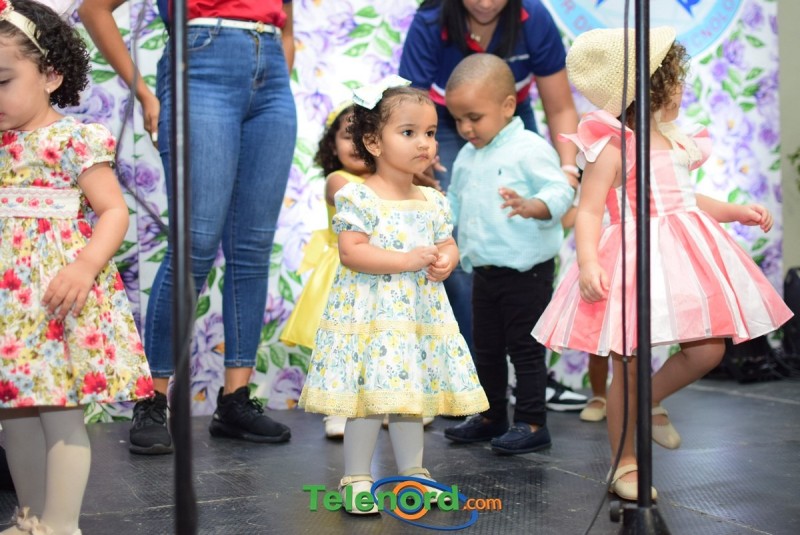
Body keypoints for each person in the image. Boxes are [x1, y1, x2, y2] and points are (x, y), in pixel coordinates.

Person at [532, 27, 794, 500]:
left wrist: (736, 212)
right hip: (634, 257)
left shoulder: (675, 141)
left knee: (708, 349)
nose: (682, 89)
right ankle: (625, 463)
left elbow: (686, 199)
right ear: (652, 86)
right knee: (627, 362)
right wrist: (588, 262)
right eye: (676, 80)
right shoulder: (614, 146)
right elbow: (588, 210)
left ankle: (649, 400)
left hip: (683, 254)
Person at [78, 0, 297, 453]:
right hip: (201, 64)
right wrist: (145, 93)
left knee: (252, 249)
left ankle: (235, 400)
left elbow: (286, 22)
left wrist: (275, 67)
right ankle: (152, 400)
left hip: (272, 75)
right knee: (193, 246)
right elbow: (94, 8)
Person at [298, 80, 489, 513]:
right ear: (373, 142)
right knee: (369, 401)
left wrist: (447, 260)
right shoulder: (359, 196)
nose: (424, 143)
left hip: (416, 319)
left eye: (430, 132)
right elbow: (352, 252)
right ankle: (356, 477)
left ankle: (413, 475)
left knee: (409, 400)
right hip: (375, 319)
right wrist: (406, 260)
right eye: (408, 132)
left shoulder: (432, 200)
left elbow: (447, 243)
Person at [0, 1, 154, 532]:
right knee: (15, 415)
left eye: (3, 81)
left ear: (50, 75)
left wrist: (86, 265)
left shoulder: (73, 138)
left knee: (61, 414)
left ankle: (62, 525)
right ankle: (31, 519)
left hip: (56, 298)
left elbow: (114, 211)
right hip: (11, 307)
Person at [398, 0, 587, 410]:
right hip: (442, 121)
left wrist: (567, 174)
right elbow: (407, 110)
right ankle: (475, 383)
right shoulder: (431, 21)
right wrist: (419, 156)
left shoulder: (534, 18)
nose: (485, 3)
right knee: (453, 245)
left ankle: (530, 380)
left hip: (509, 118)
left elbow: (559, 107)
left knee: (522, 248)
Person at [440, 54, 573, 455]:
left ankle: (532, 422)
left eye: (474, 118)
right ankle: (491, 416)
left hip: (526, 271)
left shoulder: (529, 148)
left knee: (525, 350)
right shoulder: (467, 155)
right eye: (458, 120)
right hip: (483, 270)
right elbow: (455, 203)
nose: (466, 128)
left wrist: (535, 205)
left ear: (508, 106)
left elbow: (560, 190)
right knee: (486, 349)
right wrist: (434, 212)